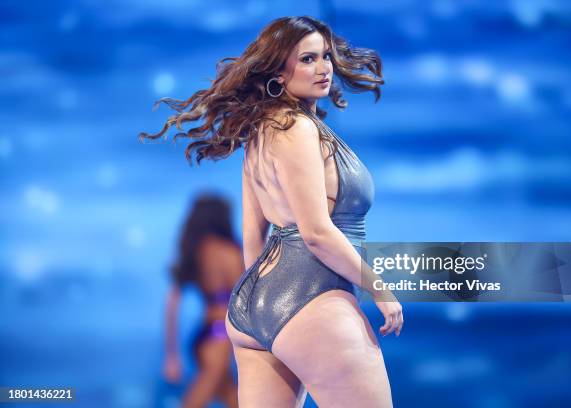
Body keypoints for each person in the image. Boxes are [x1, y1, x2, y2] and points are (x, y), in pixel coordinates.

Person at [141, 15, 403, 408]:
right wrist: (379, 288)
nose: (324, 68)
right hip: (314, 296)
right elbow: (315, 231)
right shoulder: (297, 129)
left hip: (251, 306)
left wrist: (263, 307)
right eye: (307, 59)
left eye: (325, 57)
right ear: (278, 71)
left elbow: (252, 237)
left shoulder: (260, 134)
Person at [163, 194, 241, 408]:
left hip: (203, 336)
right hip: (222, 336)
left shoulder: (194, 252)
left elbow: (172, 302)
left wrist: (171, 354)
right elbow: (244, 297)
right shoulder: (230, 251)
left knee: (233, 398)